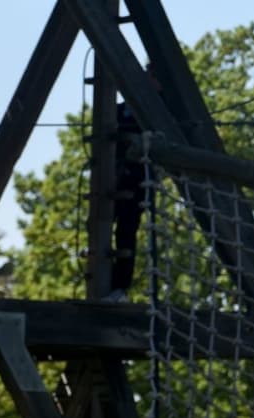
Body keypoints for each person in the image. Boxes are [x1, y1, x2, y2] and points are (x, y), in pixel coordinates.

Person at [104, 65, 161, 302]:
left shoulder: (158, 111)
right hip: (114, 176)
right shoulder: (117, 112)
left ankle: (119, 288)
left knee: (126, 232)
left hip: (137, 181)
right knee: (103, 226)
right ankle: (107, 285)